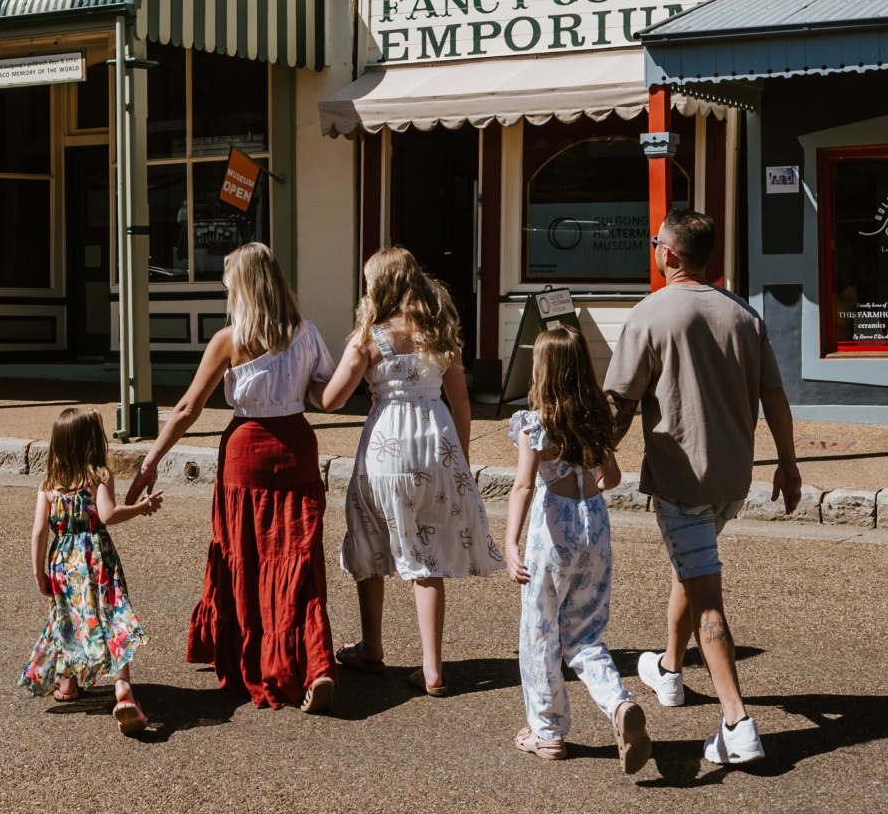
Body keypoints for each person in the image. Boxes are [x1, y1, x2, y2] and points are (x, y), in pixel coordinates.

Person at [603, 207, 801, 771]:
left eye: (656, 244)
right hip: (732, 477)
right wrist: (787, 463)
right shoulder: (743, 315)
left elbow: (617, 402)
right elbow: (775, 396)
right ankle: (669, 672)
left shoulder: (649, 316)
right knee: (692, 570)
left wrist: (598, 453)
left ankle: (738, 722)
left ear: (668, 253)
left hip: (681, 478)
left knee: (707, 595)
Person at [128, 243, 338, 712]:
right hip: (297, 448)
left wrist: (151, 461)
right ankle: (314, 663)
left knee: (244, 553)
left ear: (241, 289)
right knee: (296, 556)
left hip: (246, 450)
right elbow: (326, 395)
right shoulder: (307, 333)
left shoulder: (229, 340)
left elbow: (187, 408)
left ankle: (253, 652)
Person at [322, 247, 503, 696]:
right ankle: (432, 668)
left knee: (367, 533)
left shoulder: (369, 337)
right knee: (428, 553)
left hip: (388, 447)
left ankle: (372, 646)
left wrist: (309, 383)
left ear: (378, 286)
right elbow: (461, 401)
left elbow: (333, 400)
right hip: (436, 444)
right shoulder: (440, 333)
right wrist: (458, 459)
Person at [504, 326, 650, 770]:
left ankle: (547, 732)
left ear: (543, 371)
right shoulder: (596, 418)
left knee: (541, 630)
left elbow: (523, 486)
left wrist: (510, 542)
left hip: (554, 530)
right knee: (585, 632)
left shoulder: (537, 424)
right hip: (595, 525)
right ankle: (618, 704)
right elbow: (615, 478)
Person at [22, 406, 163, 734]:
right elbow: (109, 514)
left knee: (69, 618)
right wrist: (141, 507)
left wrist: (39, 572)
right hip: (97, 557)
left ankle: (68, 684)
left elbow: (39, 531)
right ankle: (123, 688)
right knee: (112, 616)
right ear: (91, 442)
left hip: (63, 563)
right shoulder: (98, 475)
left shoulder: (49, 483)